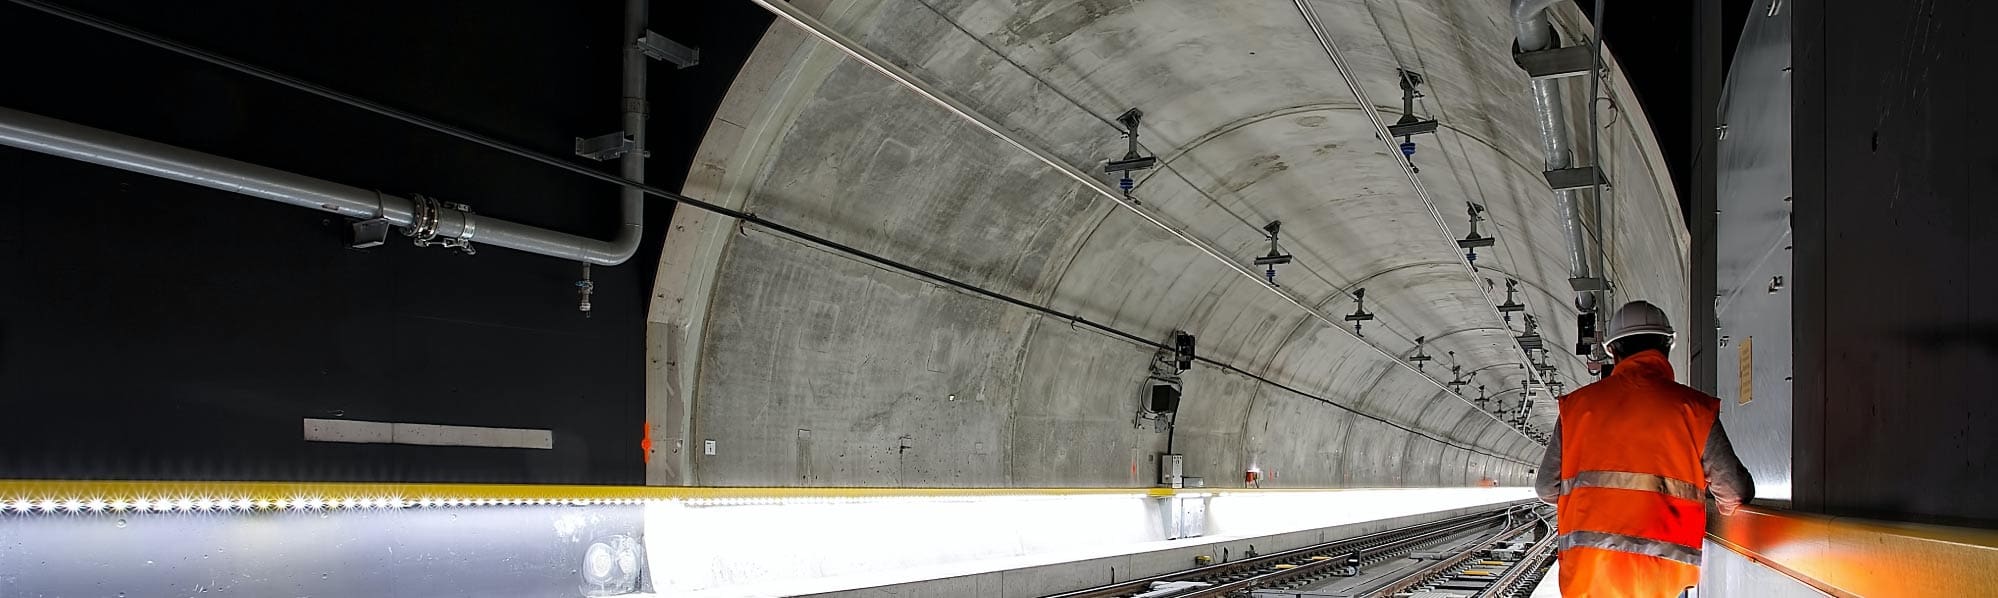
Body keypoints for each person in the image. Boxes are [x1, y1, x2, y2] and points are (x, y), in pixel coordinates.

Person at [1535, 300, 1754, 597]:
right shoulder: (1694, 411)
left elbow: (1547, 488)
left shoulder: (1576, 410)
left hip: (1587, 579)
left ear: (1613, 350)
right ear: (1667, 346)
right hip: (1660, 582)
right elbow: (1734, 490)